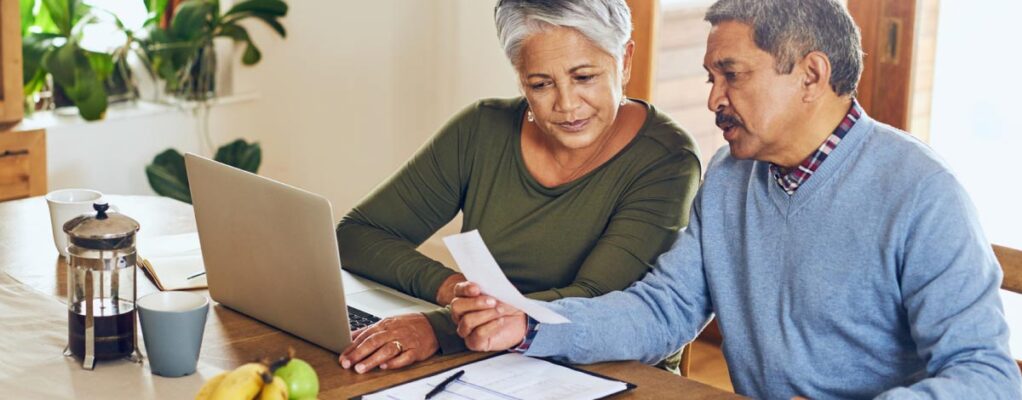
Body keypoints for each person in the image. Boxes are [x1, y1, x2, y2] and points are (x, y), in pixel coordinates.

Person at [450, 0, 1022, 398]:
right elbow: (664, 309)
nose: (713, 99)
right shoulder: (730, 175)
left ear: (811, 75)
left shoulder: (922, 193)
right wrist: (528, 326)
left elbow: (987, 377)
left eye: (732, 75)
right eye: (709, 78)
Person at [335, 0, 702, 374]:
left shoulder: (667, 160)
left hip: (608, 373)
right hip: (487, 363)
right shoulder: (482, 130)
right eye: (541, 84)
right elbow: (357, 235)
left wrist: (441, 327)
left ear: (624, 60)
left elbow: (598, 301)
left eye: (584, 77)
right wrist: (454, 291)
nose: (567, 105)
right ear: (519, 74)